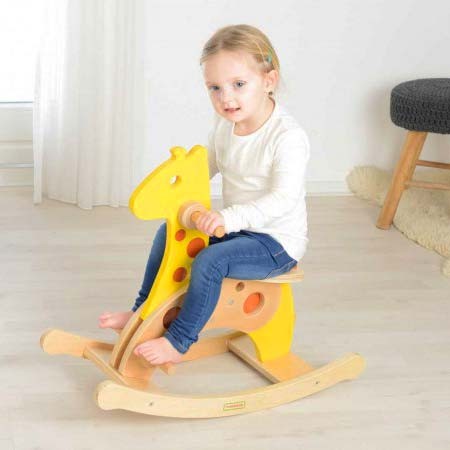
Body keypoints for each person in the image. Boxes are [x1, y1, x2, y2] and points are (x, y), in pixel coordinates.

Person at [98, 24, 310, 365]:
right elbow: (206, 166)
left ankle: (179, 339)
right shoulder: (225, 125)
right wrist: (178, 188)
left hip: (275, 242)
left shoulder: (287, 138)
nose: (226, 98)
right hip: (239, 229)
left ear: (268, 81)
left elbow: (282, 199)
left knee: (212, 260)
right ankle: (143, 311)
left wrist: (226, 217)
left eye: (238, 84)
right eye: (215, 88)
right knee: (170, 234)